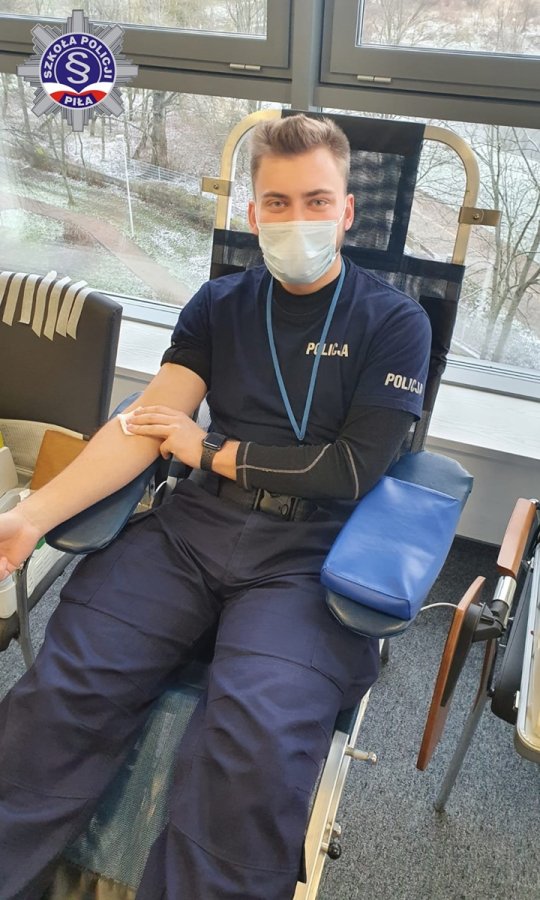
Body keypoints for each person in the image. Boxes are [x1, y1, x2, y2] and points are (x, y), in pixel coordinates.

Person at [0, 113, 431, 900]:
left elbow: (352, 468)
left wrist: (215, 452)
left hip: (310, 554)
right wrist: (31, 516)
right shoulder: (219, 304)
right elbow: (148, 422)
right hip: (195, 529)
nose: (296, 220)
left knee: (254, 747)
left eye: (316, 201)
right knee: (66, 690)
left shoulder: (396, 322)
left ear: (346, 211)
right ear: (253, 213)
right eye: (277, 203)